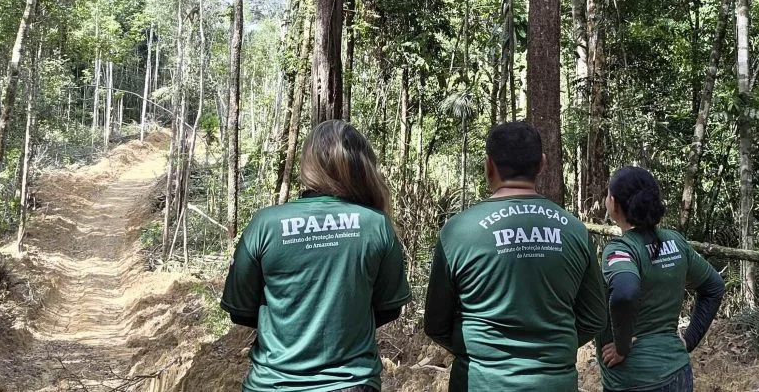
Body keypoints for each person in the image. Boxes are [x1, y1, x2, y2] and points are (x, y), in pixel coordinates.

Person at [221, 120, 411, 392]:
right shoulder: (375, 224)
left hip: (274, 384)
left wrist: (287, 323)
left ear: (308, 165)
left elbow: (240, 310)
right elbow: (389, 307)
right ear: (363, 166)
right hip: (352, 383)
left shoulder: (265, 224)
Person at [424, 121, 607, 391]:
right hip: (554, 383)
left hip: (480, 382)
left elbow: (436, 323)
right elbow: (594, 317)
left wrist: (484, 354)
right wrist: (550, 352)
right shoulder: (574, 230)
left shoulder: (458, 231)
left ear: (489, 166)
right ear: (542, 164)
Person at [597, 166, 725, 392]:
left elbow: (625, 292)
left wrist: (622, 347)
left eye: (608, 194)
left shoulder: (621, 249)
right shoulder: (675, 242)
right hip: (678, 374)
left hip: (634, 379)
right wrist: (689, 340)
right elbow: (713, 286)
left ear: (614, 204)